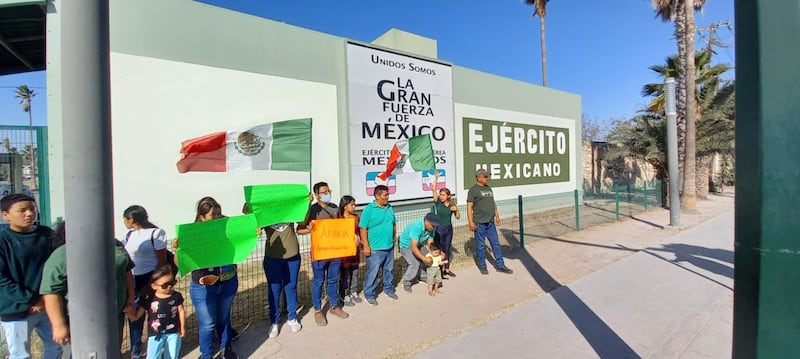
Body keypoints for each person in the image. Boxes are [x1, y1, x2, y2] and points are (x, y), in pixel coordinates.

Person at [39, 221, 136, 358]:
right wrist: (58, 325)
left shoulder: (115, 244)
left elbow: (126, 271)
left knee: (111, 352)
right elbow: (50, 291)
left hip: (115, 313)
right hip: (80, 320)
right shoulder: (62, 254)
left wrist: (130, 298)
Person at [175, 197, 239, 359]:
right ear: (201, 217)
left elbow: (242, 241)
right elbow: (179, 263)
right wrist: (179, 249)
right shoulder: (193, 234)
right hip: (203, 286)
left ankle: (226, 350)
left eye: (218, 213)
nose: (217, 217)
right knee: (208, 324)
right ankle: (207, 355)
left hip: (228, 281)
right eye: (213, 215)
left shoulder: (227, 227)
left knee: (224, 318)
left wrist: (254, 233)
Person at [0, 194, 62, 359]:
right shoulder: (3, 241)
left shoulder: (46, 234)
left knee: (56, 347)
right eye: (22, 210)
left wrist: (46, 299)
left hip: (48, 306)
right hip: (16, 309)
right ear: (5, 215)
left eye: (32, 209)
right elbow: (2, 281)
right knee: (20, 354)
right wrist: (33, 300)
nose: (29, 214)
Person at [252, 200, 309, 338]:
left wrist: (306, 204)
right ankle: (275, 321)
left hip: (292, 255)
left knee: (291, 287)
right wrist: (250, 206)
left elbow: (302, 222)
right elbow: (250, 217)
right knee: (274, 290)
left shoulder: (290, 209)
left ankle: (292, 317)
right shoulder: (265, 214)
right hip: (272, 257)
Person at [298, 182, 349, 326]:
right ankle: (318, 310)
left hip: (335, 251)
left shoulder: (334, 208)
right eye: (324, 192)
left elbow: (341, 226)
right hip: (319, 253)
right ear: (316, 195)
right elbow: (299, 230)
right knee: (319, 281)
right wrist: (308, 229)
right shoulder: (311, 210)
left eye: (329, 190)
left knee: (333, 280)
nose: (328, 193)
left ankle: (334, 306)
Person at [122, 205, 169, 359]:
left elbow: (161, 260)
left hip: (151, 277)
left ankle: (157, 348)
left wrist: (151, 283)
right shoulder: (129, 235)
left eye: (125, 219)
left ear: (132, 219)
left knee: (155, 315)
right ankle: (136, 351)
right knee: (136, 316)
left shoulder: (155, 234)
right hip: (134, 279)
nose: (124, 222)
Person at [127, 265, 185, 359]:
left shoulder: (176, 296)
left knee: (172, 355)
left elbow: (181, 311)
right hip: (155, 334)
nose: (169, 287)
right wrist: (129, 313)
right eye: (165, 285)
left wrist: (182, 327)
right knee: (153, 356)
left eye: (172, 283)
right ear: (154, 286)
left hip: (173, 332)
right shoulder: (150, 299)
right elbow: (137, 316)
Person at [467, 169, 514, 275]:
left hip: (490, 222)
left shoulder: (489, 189)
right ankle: (482, 266)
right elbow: (469, 206)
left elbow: (492, 202)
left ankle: (500, 265)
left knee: (496, 244)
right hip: (480, 223)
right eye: (486, 176)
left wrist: (497, 216)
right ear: (479, 177)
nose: (488, 178)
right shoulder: (473, 190)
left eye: (488, 176)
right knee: (480, 245)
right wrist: (471, 222)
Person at [358, 185, 398, 306]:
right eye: (385, 195)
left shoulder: (390, 208)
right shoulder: (369, 209)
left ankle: (388, 289)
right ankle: (369, 294)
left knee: (388, 270)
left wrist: (394, 238)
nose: (387, 197)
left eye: (388, 195)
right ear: (377, 196)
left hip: (389, 246)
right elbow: (363, 228)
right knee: (373, 272)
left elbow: (393, 224)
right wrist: (366, 245)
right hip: (375, 248)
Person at [398, 213, 438, 294]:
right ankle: (406, 282)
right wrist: (423, 258)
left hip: (418, 244)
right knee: (415, 263)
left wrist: (432, 254)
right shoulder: (416, 227)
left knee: (427, 256)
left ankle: (422, 276)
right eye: (433, 225)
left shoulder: (431, 228)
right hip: (405, 246)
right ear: (426, 221)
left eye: (435, 226)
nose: (434, 227)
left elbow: (430, 242)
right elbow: (413, 247)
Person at [430, 170, 460, 278]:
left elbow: (457, 217)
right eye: (440, 194)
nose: (441, 196)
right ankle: (439, 269)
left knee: (447, 248)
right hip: (439, 229)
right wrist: (436, 178)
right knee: (439, 249)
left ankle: (447, 269)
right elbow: (433, 189)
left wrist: (456, 210)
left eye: (443, 195)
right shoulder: (438, 203)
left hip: (449, 229)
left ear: (448, 196)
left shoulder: (451, 204)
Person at [337, 195, 363, 307]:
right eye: (351, 205)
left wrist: (360, 241)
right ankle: (344, 294)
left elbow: (360, 232)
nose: (354, 207)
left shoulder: (356, 218)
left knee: (355, 271)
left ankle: (353, 291)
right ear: (344, 206)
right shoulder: (338, 219)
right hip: (343, 252)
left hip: (355, 250)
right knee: (345, 274)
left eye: (354, 204)